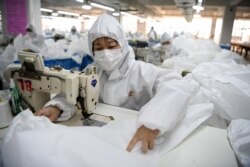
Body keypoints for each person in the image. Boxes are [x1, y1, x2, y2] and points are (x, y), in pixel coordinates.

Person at [35, 14, 198, 153]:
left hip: (136, 136)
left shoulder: (141, 71)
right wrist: (57, 106)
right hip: (105, 137)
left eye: (111, 46)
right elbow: (74, 91)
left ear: (123, 45)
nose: (105, 52)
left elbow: (178, 86)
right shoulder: (93, 71)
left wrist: (153, 122)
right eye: (98, 48)